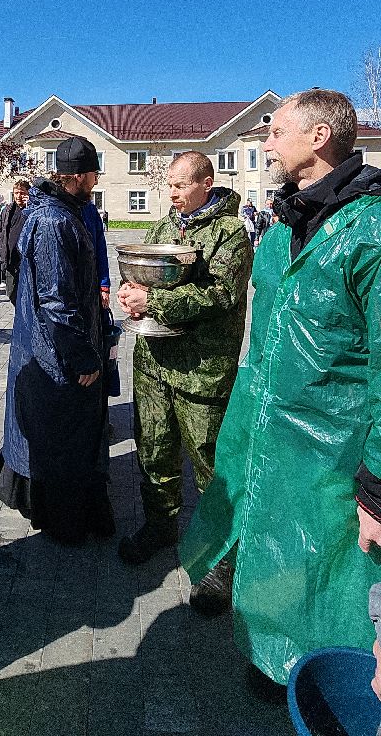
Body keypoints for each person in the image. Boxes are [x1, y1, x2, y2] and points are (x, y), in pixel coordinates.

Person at [181, 89, 381, 693]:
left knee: (325, 565)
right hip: (266, 426)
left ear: (318, 138)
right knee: (262, 532)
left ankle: (316, 669)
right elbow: (263, 346)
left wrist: (375, 483)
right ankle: (260, 636)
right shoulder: (276, 234)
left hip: (334, 447)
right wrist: (240, 427)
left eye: (276, 130)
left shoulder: (368, 233)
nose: (265, 141)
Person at [116, 151, 252, 565]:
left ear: (205, 184)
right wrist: (129, 294)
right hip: (154, 362)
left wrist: (152, 299)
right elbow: (140, 274)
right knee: (153, 449)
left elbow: (221, 294)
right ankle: (160, 526)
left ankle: (220, 553)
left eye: (180, 184)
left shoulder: (230, 232)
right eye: (169, 185)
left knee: (209, 463)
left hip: (201, 369)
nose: (171, 192)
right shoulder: (164, 226)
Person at [1, 137, 113, 544]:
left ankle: (74, 510)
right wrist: (81, 357)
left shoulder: (69, 211)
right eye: (95, 173)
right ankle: (64, 521)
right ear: (80, 176)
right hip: (56, 354)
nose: (97, 180)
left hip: (63, 344)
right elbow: (55, 298)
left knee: (73, 434)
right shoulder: (53, 220)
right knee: (64, 437)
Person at [0, 179, 30, 304]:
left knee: (27, 296)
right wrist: (2, 252)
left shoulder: (33, 210)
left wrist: (29, 207)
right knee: (11, 293)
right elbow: (0, 231)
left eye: (22, 193)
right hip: (10, 259)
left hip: (25, 260)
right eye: (16, 193)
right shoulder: (8, 210)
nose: (18, 196)